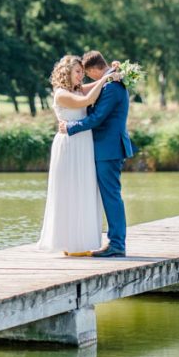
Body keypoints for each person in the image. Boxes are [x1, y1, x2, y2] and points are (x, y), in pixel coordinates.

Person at [37, 55, 118, 255]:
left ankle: (81, 242)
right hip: (69, 145)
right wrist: (107, 78)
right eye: (78, 71)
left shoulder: (77, 89)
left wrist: (111, 73)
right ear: (67, 73)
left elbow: (93, 86)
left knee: (84, 189)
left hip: (83, 143)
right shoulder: (61, 94)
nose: (82, 75)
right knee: (69, 190)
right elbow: (89, 99)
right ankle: (68, 243)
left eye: (82, 71)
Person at [58, 50, 134, 258]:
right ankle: (113, 241)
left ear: (93, 69)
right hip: (106, 147)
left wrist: (71, 126)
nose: (86, 77)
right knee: (110, 195)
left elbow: (98, 118)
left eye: (87, 73)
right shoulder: (112, 82)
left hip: (108, 149)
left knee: (111, 196)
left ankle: (117, 244)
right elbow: (85, 96)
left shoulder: (111, 87)